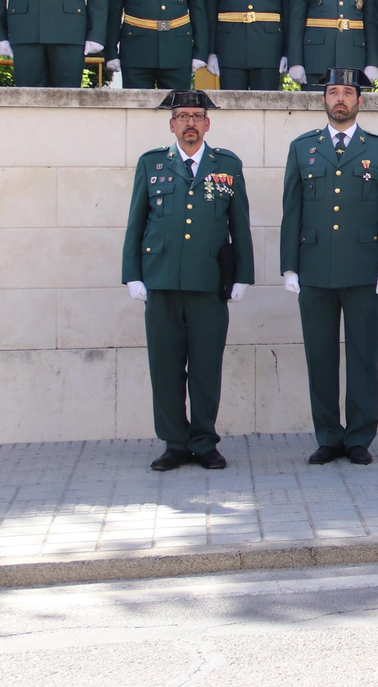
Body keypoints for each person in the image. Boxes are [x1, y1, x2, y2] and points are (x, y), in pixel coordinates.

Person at [122, 90, 253, 470]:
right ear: (172, 124)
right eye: (182, 116)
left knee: (206, 367)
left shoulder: (226, 164)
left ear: (207, 123)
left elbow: (238, 224)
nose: (190, 123)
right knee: (165, 366)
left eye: (197, 116)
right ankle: (174, 443)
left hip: (209, 282)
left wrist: (242, 275)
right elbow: (137, 222)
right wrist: (133, 275)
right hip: (160, 281)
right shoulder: (152, 164)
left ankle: (204, 441)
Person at [281, 68, 378, 465]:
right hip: (314, 268)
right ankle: (328, 436)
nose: (340, 98)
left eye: (347, 92)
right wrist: (289, 267)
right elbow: (292, 210)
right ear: (323, 100)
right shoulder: (302, 148)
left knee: (363, 355)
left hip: (365, 269)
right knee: (320, 355)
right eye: (333, 92)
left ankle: (359, 438)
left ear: (359, 101)